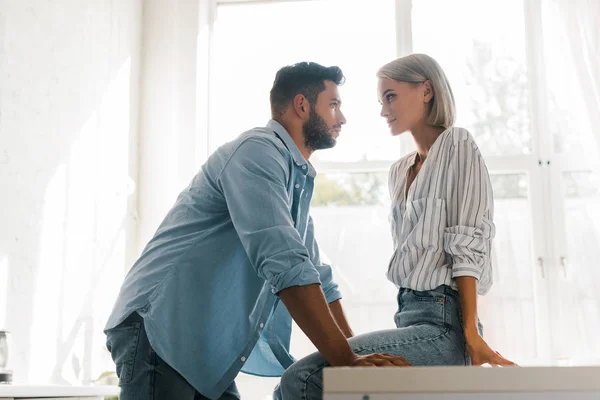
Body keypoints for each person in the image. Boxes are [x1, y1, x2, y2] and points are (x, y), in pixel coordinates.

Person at [103, 61, 409, 400]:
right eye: (334, 104)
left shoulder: (293, 178)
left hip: (199, 348)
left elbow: (317, 276)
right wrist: (347, 361)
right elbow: (284, 262)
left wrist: (354, 355)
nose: (342, 118)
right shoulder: (258, 153)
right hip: (159, 327)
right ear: (302, 105)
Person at [276, 53, 516, 400]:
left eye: (390, 96)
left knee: (301, 380)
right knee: (291, 386)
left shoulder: (457, 145)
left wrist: (471, 334)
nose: (383, 109)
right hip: (408, 319)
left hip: (445, 328)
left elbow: (467, 246)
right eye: (380, 100)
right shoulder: (399, 172)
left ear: (426, 91)